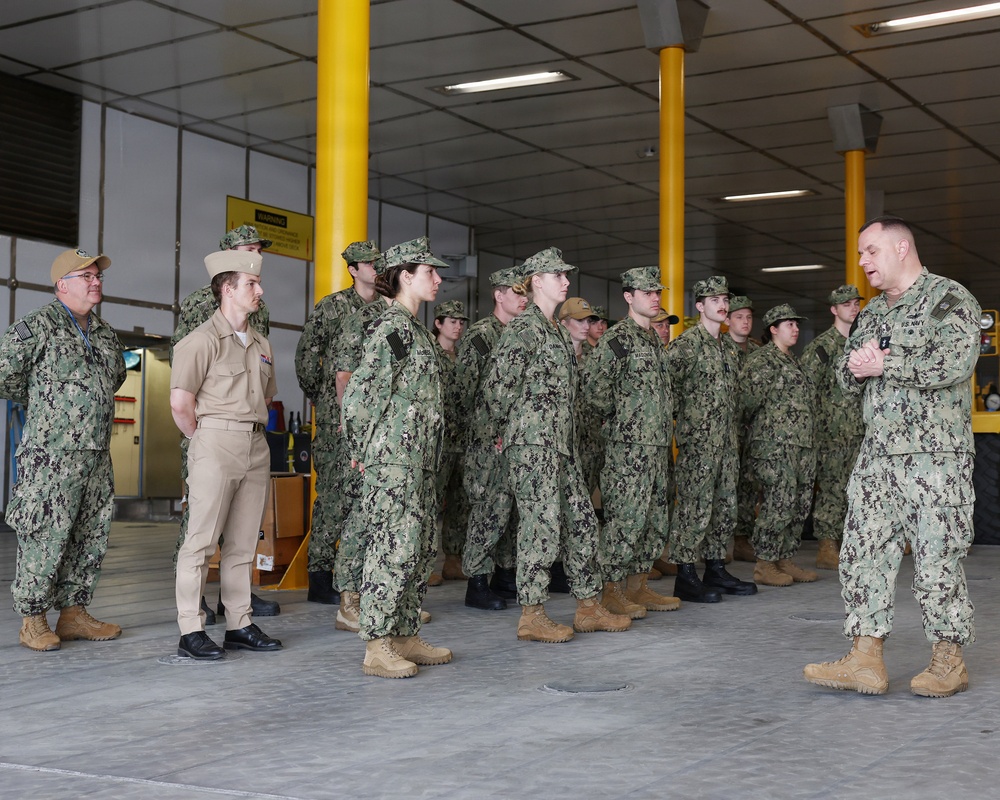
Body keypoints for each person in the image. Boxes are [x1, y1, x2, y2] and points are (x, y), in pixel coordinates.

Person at [804, 215, 981, 698]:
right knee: (863, 554)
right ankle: (865, 658)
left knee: (936, 559)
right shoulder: (871, 313)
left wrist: (887, 363)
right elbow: (844, 376)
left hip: (935, 458)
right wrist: (857, 370)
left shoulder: (949, 299)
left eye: (871, 251)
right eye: (861, 253)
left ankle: (948, 660)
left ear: (902, 249)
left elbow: (956, 362)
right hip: (878, 454)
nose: (863, 262)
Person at [482, 247, 631, 642]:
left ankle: (587, 606)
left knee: (582, 521)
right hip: (532, 445)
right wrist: (503, 433)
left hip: (559, 445)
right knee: (540, 526)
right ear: (536, 281)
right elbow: (497, 388)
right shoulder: (523, 329)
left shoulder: (554, 332)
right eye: (558, 275)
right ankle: (531, 613)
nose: (566, 281)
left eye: (566, 275)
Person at [1, 249, 125, 651]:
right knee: (44, 533)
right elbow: (5, 376)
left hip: (96, 455)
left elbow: (114, 379)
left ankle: (73, 614)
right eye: (86, 275)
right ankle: (32, 619)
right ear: (62, 285)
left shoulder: (106, 335)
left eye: (97, 276)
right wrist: (46, 402)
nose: (95, 281)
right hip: (50, 455)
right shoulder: (36, 327)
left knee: (90, 533)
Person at [341, 236, 454, 679]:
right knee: (392, 547)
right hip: (394, 459)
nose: (438, 279)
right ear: (406, 276)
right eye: (430, 272)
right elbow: (361, 396)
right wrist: (362, 450)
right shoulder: (393, 329)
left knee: (417, 548)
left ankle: (404, 633)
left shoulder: (415, 331)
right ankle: (376, 643)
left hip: (418, 458)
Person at [170, 249, 282, 659]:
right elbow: (181, 404)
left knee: (241, 545)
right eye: (252, 284)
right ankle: (190, 630)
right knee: (200, 543)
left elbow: (267, 399)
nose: (260, 290)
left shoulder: (262, 343)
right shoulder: (200, 341)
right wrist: (206, 442)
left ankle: (239, 621)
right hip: (215, 442)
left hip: (256, 445)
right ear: (227, 289)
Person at [582, 266, 680, 618]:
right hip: (629, 449)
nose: (656, 298)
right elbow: (594, 392)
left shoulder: (653, 340)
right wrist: (623, 423)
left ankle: (638, 587)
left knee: (654, 519)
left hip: (656, 447)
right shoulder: (617, 340)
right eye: (648, 292)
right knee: (625, 520)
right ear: (629, 297)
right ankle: (611, 590)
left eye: (658, 292)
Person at [295, 240, 381, 605]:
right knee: (332, 495)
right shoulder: (332, 308)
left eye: (378, 263)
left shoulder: (382, 310)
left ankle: (354, 574)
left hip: (371, 420)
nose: (376, 269)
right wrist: (322, 399)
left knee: (362, 497)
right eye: (369, 264)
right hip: (335, 421)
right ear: (353, 269)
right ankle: (319, 574)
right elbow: (306, 355)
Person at [664, 276, 756, 602]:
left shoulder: (729, 349)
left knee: (724, 507)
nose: (722, 303)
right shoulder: (685, 346)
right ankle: (686, 573)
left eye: (725, 298)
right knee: (694, 507)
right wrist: (687, 426)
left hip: (727, 443)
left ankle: (715, 568)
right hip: (698, 445)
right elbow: (667, 393)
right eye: (714, 299)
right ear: (699, 305)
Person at [458, 266, 527, 611]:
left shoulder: (521, 334)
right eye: (516, 292)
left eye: (525, 293)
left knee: (509, 511)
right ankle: (477, 581)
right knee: (488, 510)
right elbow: (465, 389)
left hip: (514, 438)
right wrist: (483, 434)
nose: (523, 299)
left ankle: (504, 573)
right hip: (487, 440)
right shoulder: (482, 335)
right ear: (499, 295)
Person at [738, 304, 817, 588]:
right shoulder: (762, 361)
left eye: (797, 325)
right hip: (775, 445)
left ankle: (784, 558)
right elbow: (746, 403)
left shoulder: (795, 362)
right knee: (778, 503)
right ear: (773, 329)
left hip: (802, 445)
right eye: (789, 325)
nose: (795, 329)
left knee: (798, 504)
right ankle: (765, 563)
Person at [800, 285, 864, 570]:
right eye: (846, 304)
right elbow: (806, 390)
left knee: (863, 488)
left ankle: (858, 542)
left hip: (863, 430)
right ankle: (827, 544)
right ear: (833, 309)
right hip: (831, 432)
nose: (853, 307)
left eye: (855, 303)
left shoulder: (864, 343)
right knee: (832, 488)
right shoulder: (822, 347)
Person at [431, 299, 470, 582]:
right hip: (438, 440)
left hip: (463, 439)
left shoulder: (465, 356)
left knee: (460, 502)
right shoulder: (429, 354)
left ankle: (453, 560)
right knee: (431, 502)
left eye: (460, 322)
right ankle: (427, 564)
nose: (457, 326)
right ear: (438, 324)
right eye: (452, 321)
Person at [727, 295, 761, 563]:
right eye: (739, 317)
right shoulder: (721, 348)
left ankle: (741, 539)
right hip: (727, 430)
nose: (745, 322)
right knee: (724, 487)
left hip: (752, 430)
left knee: (748, 485)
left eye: (749, 317)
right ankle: (715, 544)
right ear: (728, 320)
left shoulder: (758, 351)